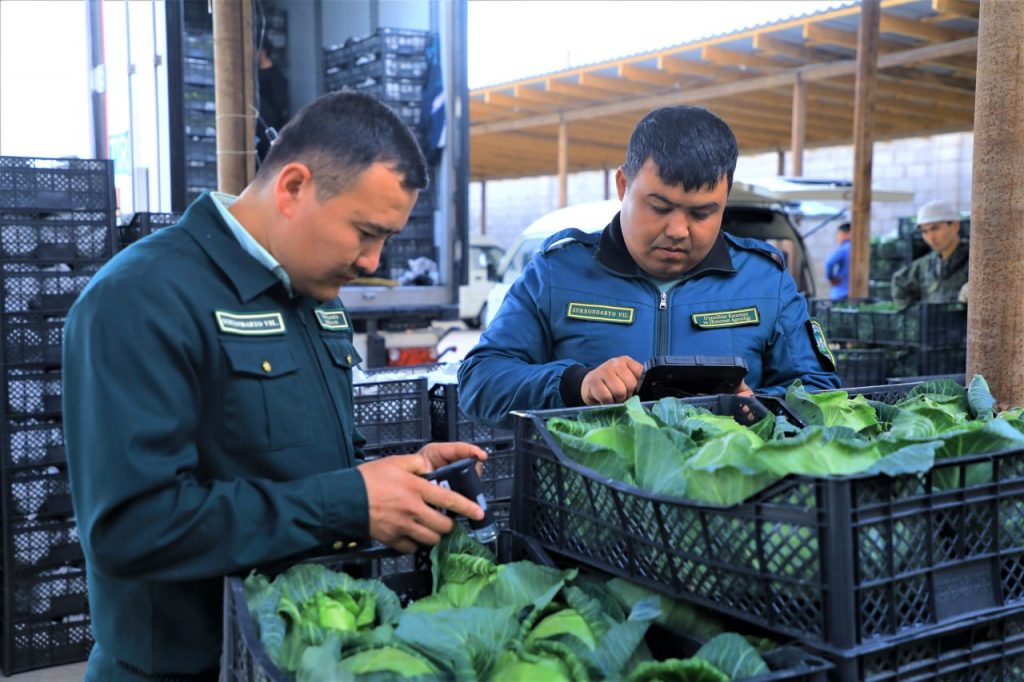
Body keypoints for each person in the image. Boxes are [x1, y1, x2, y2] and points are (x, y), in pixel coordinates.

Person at [62, 92, 486, 681]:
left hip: (298, 655)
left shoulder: (312, 297)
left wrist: (397, 477)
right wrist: (349, 502)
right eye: (366, 233)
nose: (373, 261)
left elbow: (298, 458)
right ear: (293, 187)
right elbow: (131, 527)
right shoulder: (140, 299)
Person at [457, 106, 840, 428]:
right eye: (658, 207)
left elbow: (821, 393)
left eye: (702, 213)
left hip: (726, 502)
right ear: (623, 185)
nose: (677, 231)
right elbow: (479, 382)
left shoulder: (765, 280)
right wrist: (575, 384)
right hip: (590, 501)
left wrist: (758, 410)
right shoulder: (557, 273)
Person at [891, 200, 969, 306]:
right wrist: (916, 312)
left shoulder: (976, 262)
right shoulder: (924, 265)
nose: (930, 237)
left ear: (955, 226)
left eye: (935, 228)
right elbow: (899, 282)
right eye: (925, 231)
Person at [256, 47, 289, 162]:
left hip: (269, 124)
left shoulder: (276, 76)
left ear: (262, 51)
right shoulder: (256, 73)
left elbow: (280, 105)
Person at [824, 222, 851, 300]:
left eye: (840, 234)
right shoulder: (860, 249)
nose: (838, 237)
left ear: (848, 233)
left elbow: (829, 263)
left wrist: (831, 278)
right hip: (857, 295)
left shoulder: (844, 248)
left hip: (841, 293)